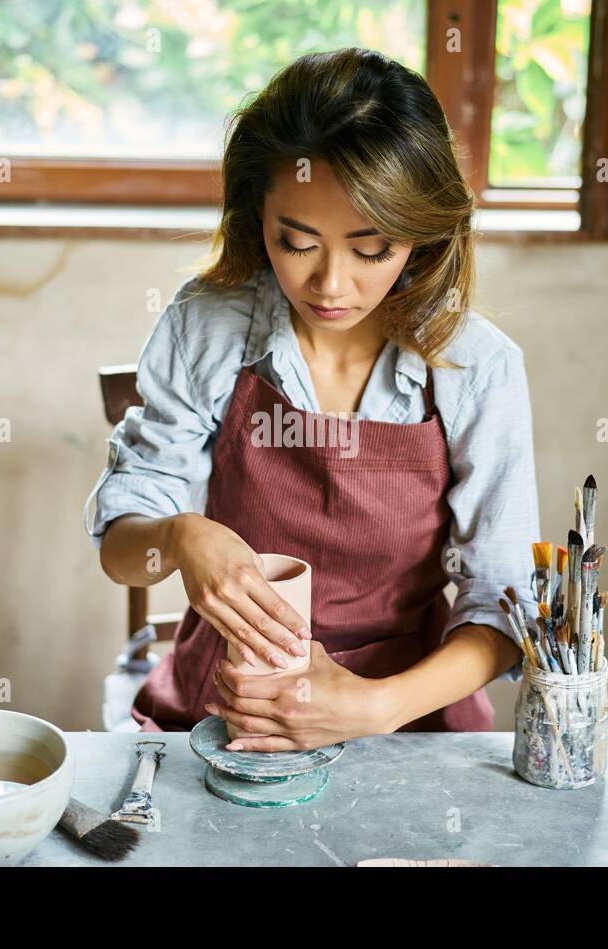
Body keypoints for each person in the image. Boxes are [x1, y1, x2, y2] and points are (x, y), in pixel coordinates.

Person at [87, 47, 540, 750]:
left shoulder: (476, 367)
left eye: (372, 249)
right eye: (296, 242)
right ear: (255, 217)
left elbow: (506, 614)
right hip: (227, 709)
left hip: (407, 717)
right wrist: (178, 534)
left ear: (422, 238)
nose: (331, 285)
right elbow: (122, 553)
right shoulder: (208, 326)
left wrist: (371, 709)